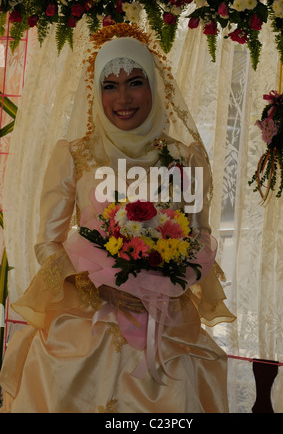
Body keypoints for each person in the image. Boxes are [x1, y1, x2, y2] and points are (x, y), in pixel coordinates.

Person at [0, 23, 234, 413]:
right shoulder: (75, 155)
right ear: (97, 93)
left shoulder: (185, 158)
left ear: (154, 87)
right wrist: (95, 286)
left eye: (135, 82)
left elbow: (199, 237)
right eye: (110, 85)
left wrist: (162, 285)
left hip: (165, 319)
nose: (123, 98)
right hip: (85, 315)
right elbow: (47, 242)